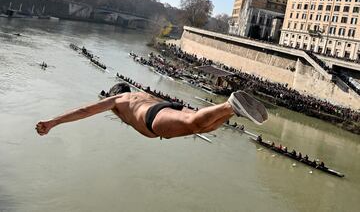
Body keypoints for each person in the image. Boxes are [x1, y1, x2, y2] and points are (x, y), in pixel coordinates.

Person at [36, 82, 268, 139]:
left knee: (196, 125)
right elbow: (172, 106)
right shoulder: (139, 94)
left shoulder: (118, 99)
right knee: (202, 126)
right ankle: (233, 110)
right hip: (164, 107)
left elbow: (85, 110)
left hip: (153, 119)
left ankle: (230, 105)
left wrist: (53, 122)